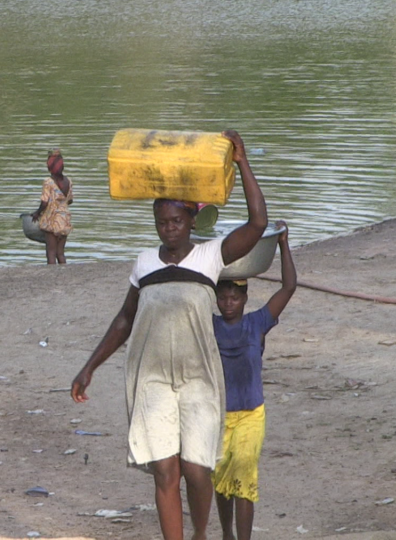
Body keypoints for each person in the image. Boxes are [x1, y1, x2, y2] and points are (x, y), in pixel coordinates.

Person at [70, 130, 267, 540]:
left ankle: (198, 533)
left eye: (177, 221)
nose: (169, 230)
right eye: (162, 222)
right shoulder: (144, 264)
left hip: (198, 378)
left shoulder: (210, 256)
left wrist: (242, 162)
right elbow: (125, 320)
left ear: (193, 220)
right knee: (165, 469)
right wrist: (89, 367)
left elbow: (258, 223)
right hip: (152, 378)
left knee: (197, 471)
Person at [212, 220, 296, 540]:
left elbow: (288, 287)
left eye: (235, 298)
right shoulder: (209, 327)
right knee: (220, 478)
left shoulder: (258, 323)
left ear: (245, 299)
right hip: (219, 415)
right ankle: (226, 533)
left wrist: (284, 244)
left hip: (251, 414)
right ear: (216, 298)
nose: (228, 303)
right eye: (223, 297)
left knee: (244, 475)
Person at [31, 149, 73, 264]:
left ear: (49, 167)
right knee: (60, 252)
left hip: (52, 219)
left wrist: (37, 213)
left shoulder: (48, 182)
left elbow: (44, 203)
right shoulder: (69, 181)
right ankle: (64, 273)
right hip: (64, 219)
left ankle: (52, 277)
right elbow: (70, 200)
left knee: (51, 252)